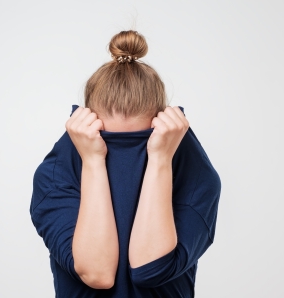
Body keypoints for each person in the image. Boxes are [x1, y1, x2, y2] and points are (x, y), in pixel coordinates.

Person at [30, 30, 221, 297]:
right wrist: (94, 160)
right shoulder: (55, 175)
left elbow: (151, 268)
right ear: (84, 129)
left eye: (140, 143)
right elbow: (97, 273)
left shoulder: (196, 176)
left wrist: (160, 159)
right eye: (108, 142)